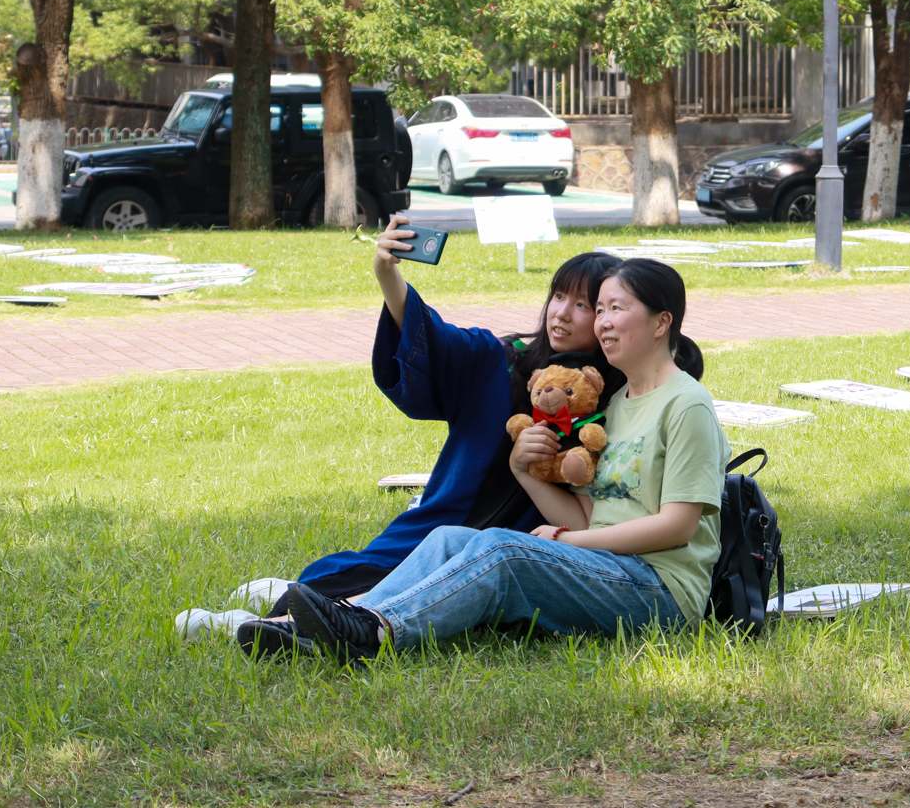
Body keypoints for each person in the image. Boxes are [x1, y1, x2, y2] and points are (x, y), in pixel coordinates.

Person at [259, 259, 727, 663]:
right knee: (448, 539)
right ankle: (321, 625)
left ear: (661, 322)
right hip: (608, 570)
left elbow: (677, 527)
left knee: (503, 548)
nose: (602, 322)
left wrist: (572, 544)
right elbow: (587, 515)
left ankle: (375, 631)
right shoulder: (617, 405)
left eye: (615, 309)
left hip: (659, 592)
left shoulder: (686, 404)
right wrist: (525, 473)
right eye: (599, 309)